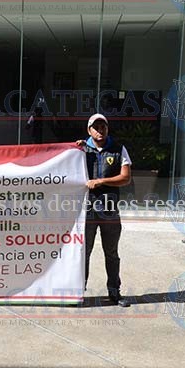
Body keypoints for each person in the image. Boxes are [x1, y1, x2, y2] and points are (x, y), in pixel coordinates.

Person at [77, 113, 132, 307]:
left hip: (109, 211)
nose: (100, 131)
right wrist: (72, 150)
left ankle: (114, 293)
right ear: (89, 130)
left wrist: (101, 181)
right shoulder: (80, 150)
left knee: (112, 254)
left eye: (103, 127)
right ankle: (79, 293)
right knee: (83, 253)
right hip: (87, 211)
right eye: (96, 127)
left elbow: (125, 177)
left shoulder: (118, 149)